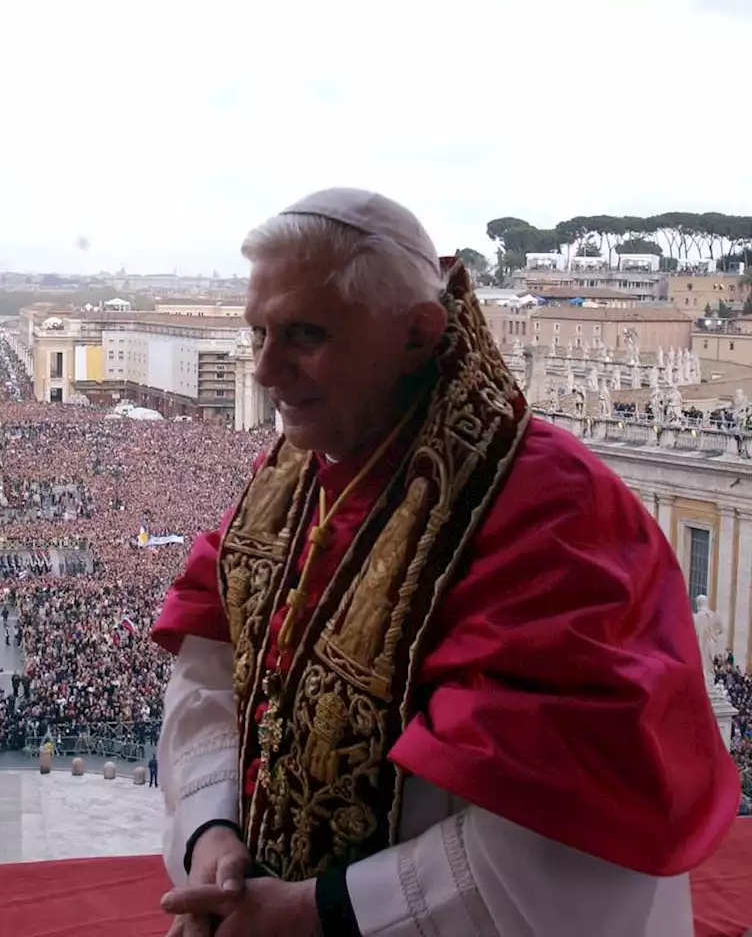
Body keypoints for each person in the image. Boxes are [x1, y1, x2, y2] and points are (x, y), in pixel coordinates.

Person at [151, 188, 740, 937]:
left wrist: (317, 912)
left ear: (419, 333)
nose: (265, 369)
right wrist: (212, 838)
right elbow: (213, 659)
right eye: (257, 331)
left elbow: (567, 830)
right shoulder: (299, 478)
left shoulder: (548, 511)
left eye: (304, 334)